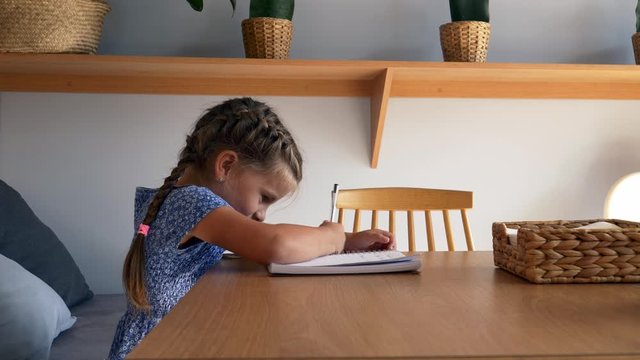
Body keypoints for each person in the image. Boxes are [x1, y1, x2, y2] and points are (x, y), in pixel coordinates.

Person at [108, 97, 395, 359]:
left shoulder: (176, 199)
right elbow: (277, 244)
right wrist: (336, 237)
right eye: (264, 198)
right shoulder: (193, 202)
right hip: (159, 348)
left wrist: (347, 240)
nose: (261, 215)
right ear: (227, 165)